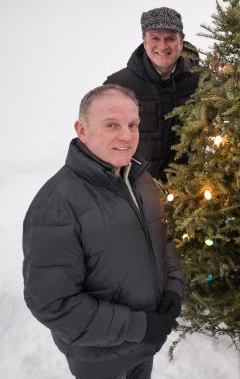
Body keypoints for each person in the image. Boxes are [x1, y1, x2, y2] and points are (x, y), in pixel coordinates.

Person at [22, 84, 185, 379]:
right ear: (82, 130)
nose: (127, 135)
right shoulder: (56, 207)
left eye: (133, 125)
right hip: (100, 362)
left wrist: (173, 288)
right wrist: (140, 327)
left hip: (143, 348)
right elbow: (54, 304)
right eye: (112, 125)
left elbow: (164, 238)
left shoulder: (141, 179)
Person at [105, 7, 201, 179]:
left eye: (170, 38)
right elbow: (103, 141)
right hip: (137, 188)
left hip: (196, 189)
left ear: (181, 41)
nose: (162, 46)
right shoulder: (118, 86)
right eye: (155, 38)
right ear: (144, 41)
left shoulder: (202, 80)